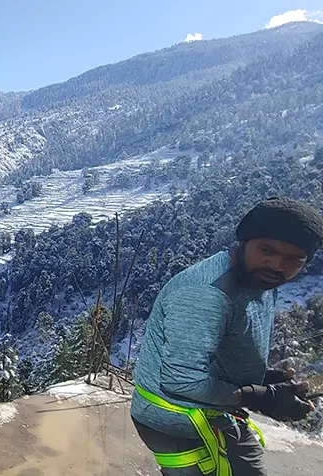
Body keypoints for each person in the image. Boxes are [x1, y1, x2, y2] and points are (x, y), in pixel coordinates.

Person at [132, 196, 323, 476]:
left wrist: (260, 379)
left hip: (212, 409)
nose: (277, 266)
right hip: (175, 418)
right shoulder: (207, 295)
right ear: (244, 241)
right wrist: (260, 397)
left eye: (293, 259)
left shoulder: (257, 279)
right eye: (266, 250)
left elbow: (219, 343)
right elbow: (180, 381)